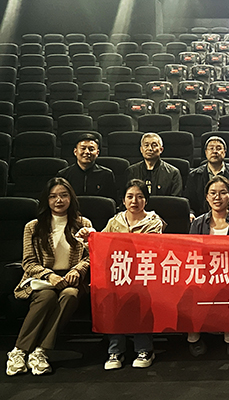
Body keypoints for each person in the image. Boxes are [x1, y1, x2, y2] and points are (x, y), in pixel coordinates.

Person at [6, 178, 92, 376]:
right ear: (46, 200)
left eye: (63, 195)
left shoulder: (83, 224)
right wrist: (49, 276)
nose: (58, 200)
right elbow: (29, 262)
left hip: (71, 278)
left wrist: (77, 271)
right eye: (53, 196)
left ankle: (41, 351)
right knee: (47, 296)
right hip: (42, 279)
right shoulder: (33, 227)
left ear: (71, 198)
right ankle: (19, 351)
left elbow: (90, 257)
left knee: (70, 295)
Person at [102, 179, 165, 370]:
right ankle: (115, 350)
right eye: (130, 197)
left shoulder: (154, 222)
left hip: (143, 274)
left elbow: (152, 249)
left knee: (141, 300)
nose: (134, 201)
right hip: (118, 274)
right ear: (123, 200)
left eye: (139, 197)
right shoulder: (114, 221)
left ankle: (144, 349)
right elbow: (102, 244)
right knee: (114, 301)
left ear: (146, 200)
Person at [186, 175, 229, 357]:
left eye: (223, 193)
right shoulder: (199, 223)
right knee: (190, 290)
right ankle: (194, 338)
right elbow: (191, 254)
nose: (217, 197)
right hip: (203, 273)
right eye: (213, 193)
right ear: (206, 197)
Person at [184, 135, 229, 219]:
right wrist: (191, 213)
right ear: (206, 152)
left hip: (228, 219)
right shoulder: (194, 175)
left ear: (224, 152)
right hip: (200, 218)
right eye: (211, 148)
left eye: (218, 148)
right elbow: (188, 200)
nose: (215, 151)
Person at [56, 133, 117, 202]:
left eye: (91, 149)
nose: (87, 152)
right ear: (75, 151)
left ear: (97, 153)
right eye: (83, 148)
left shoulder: (106, 174)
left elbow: (112, 202)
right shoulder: (63, 175)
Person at [125, 132, 182, 197]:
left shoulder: (173, 173)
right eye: (146, 145)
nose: (150, 148)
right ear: (141, 149)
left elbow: (176, 200)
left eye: (154, 145)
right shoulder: (131, 171)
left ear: (161, 149)